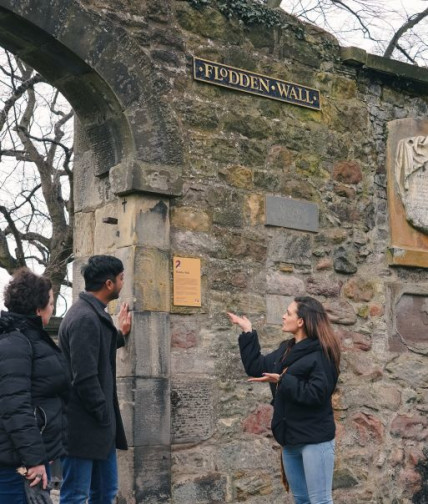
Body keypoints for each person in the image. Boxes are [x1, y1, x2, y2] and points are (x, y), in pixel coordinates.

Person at [228, 296, 341, 504]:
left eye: (288, 313)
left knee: (320, 501)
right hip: (290, 439)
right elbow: (256, 366)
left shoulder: (322, 354)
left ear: (301, 321)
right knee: (301, 500)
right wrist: (247, 331)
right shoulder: (285, 350)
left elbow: (317, 394)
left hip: (314, 440)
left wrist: (283, 380)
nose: (283, 316)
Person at [58, 255, 132, 504]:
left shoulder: (93, 314)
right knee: (76, 496)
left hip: (99, 429)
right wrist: (103, 414)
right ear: (109, 284)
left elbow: (95, 355)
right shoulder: (83, 318)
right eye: (121, 278)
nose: (124, 283)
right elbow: (85, 377)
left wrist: (120, 335)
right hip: (82, 427)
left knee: (105, 494)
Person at [0, 268, 69, 503]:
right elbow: (15, 406)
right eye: (51, 302)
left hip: (32, 458)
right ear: (38, 309)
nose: (53, 308)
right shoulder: (15, 342)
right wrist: (35, 460)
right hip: (18, 465)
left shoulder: (29, 337)